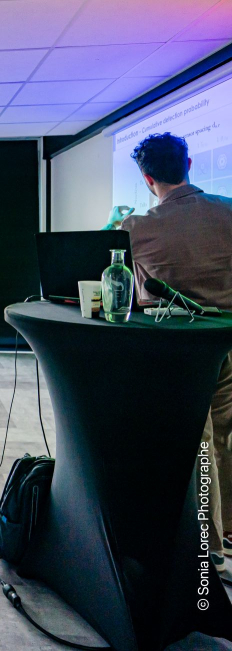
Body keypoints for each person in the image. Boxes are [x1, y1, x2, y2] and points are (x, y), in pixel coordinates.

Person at [108, 132, 232, 570]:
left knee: (197, 446)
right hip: (229, 342)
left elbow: (105, 274)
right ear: (190, 164)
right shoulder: (229, 210)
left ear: (147, 179)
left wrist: (112, 225)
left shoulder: (136, 228)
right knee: (226, 438)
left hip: (179, 352)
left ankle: (211, 547)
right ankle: (230, 532)